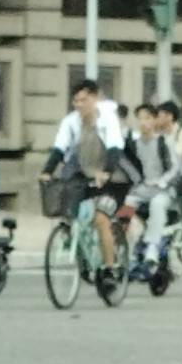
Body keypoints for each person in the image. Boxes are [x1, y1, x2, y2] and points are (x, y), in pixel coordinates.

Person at [39, 79, 125, 292]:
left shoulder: (108, 120)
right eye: (75, 101)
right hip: (82, 172)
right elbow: (59, 149)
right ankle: (81, 254)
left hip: (111, 176)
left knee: (101, 219)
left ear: (95, 99)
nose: (79, 105)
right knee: (69, 210)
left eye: (84, 100)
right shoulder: (70, 122)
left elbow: (115, 148)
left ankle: (109, 267)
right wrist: (47, 171)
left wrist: (106, 172)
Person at [119, 102, 180, 274]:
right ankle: (129, 252)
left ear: (154, 121)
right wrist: (136, 180)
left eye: (147, 118)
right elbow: (125, 162)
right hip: (142, 189)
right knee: (127, 206)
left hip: (163, 190)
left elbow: (174, 168)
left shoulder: (163, 142)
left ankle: (152, 250)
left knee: (157, 205)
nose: (143, 122)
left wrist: (162, 181)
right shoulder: (134, 144)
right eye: (140, 119)